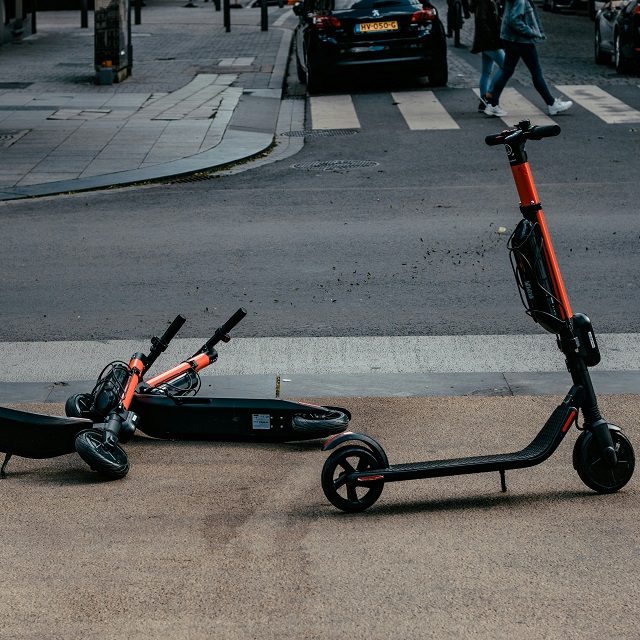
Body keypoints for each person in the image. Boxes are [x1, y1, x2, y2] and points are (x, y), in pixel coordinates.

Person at [484, 0, 572, 118]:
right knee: (536, 72)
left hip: (509, 38)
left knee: (506, 71)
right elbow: (515, 20)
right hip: (522, 40)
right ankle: (552, 104)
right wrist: (531, 32)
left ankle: (493, 104)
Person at [469, 0, 504, 113]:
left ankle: (483, 103)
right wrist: (492, 39)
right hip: (489, 42)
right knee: (506, 66)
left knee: (486, 72)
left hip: (487, 41)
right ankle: (488, 96)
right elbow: (481, 20)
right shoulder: (483, 1)